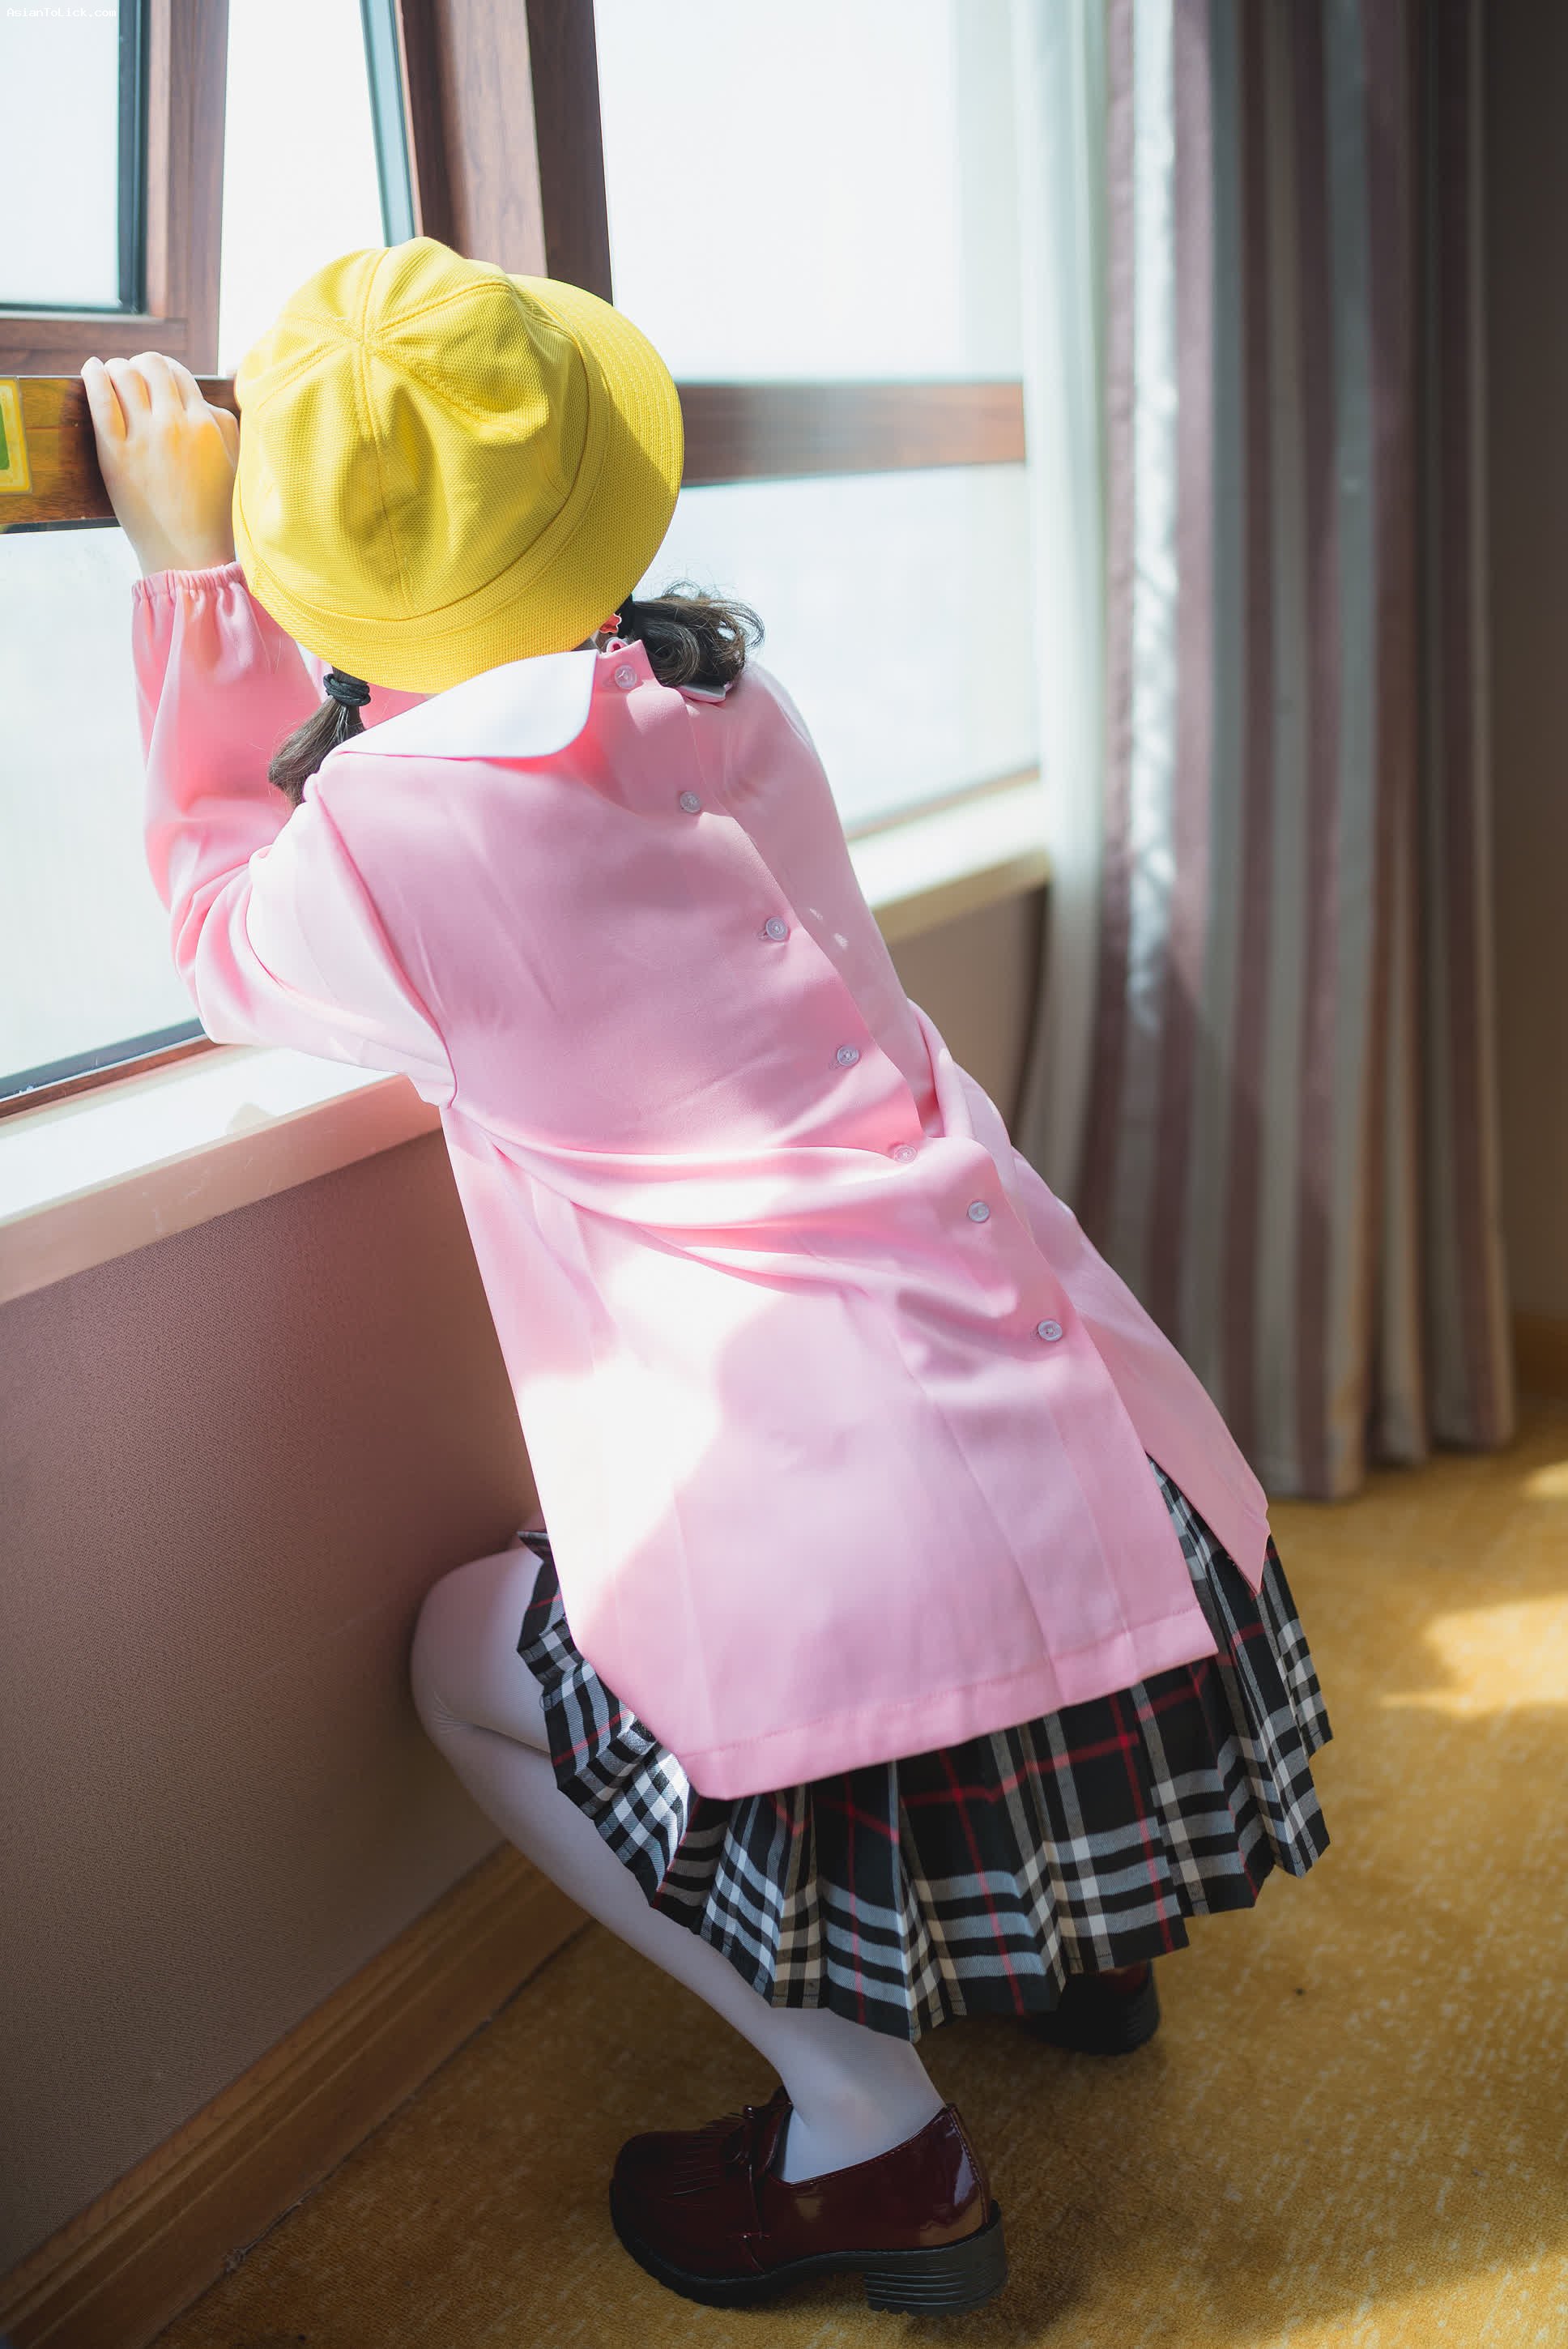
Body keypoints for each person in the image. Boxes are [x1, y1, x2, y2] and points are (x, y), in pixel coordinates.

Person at [85, 235, 1332, 2318]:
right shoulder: (725, 702)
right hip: (1110, 1456)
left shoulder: (393, 835)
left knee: (468, 1656)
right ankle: (1079, 1954)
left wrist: (193, 584)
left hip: (860, 1532)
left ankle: (871, 2138)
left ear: (335, 579)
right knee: (998, 1619)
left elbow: (225, 940)